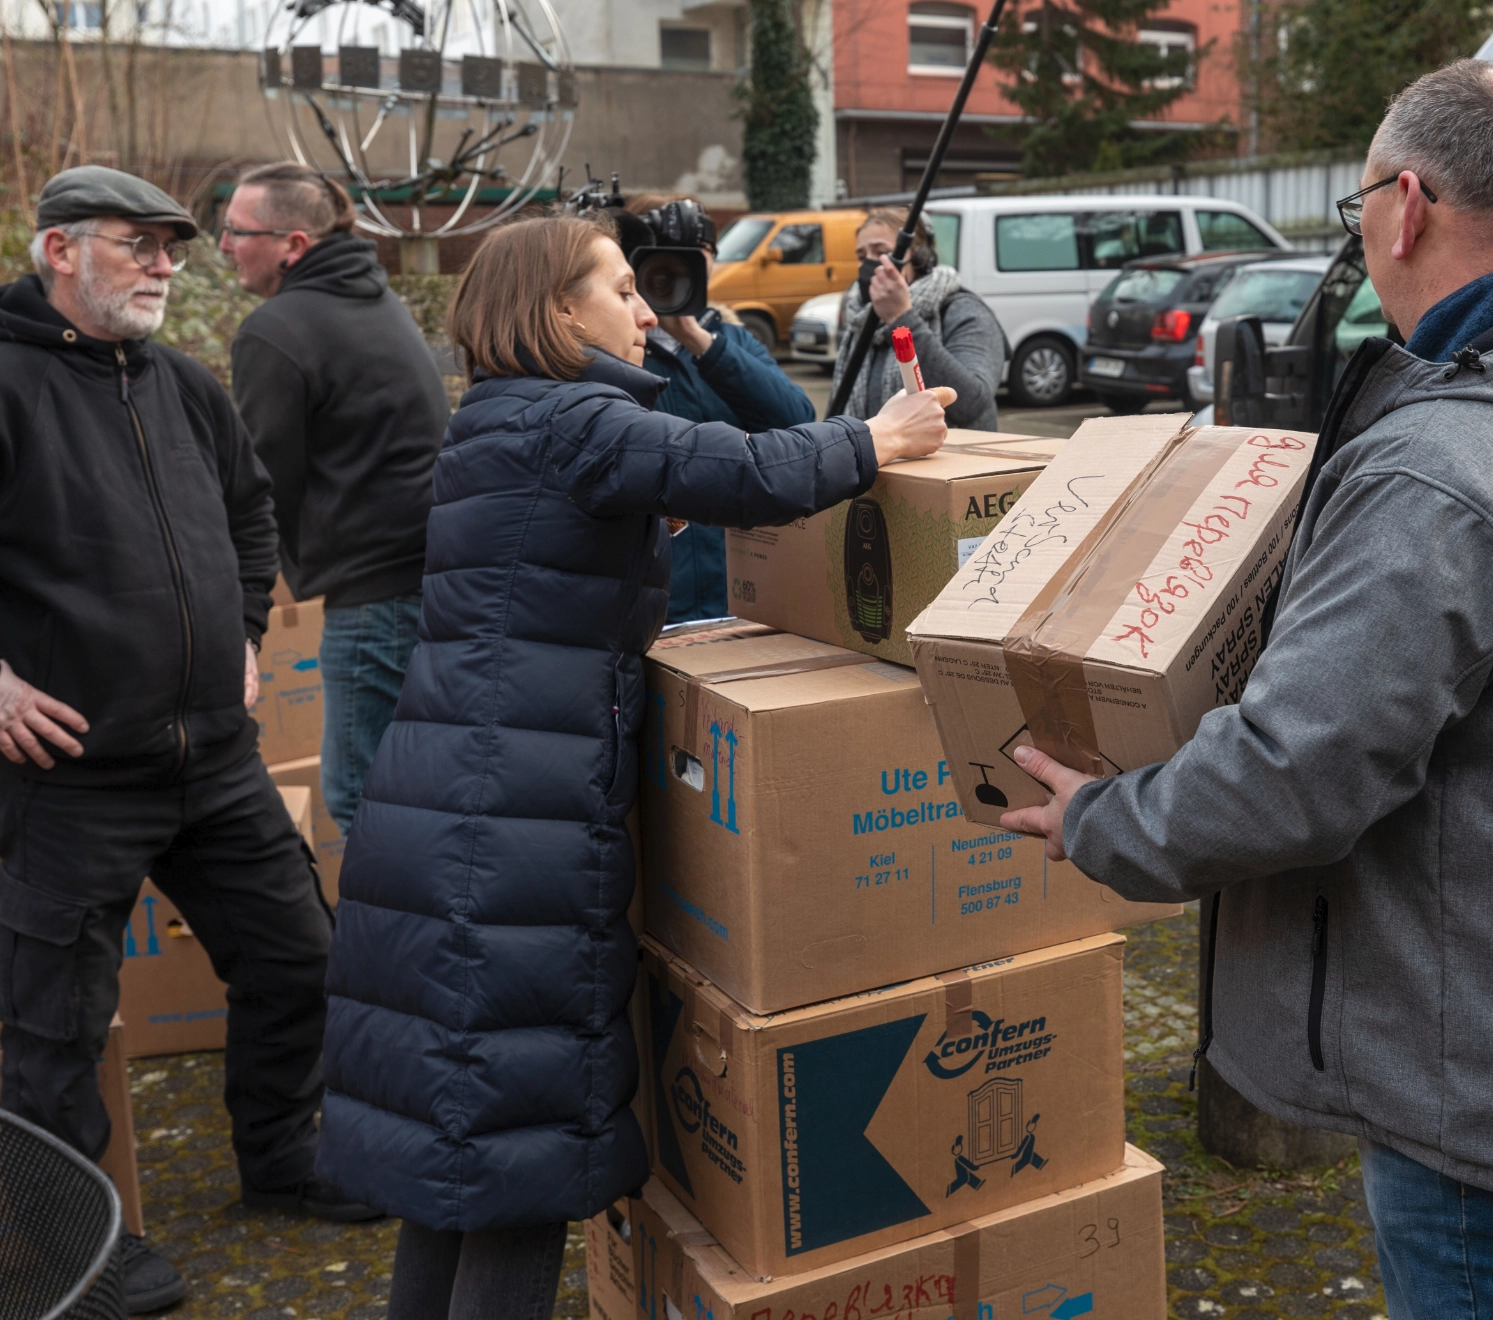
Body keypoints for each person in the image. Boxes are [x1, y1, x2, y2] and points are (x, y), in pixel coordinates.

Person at [1002, 59, 1493, 1320]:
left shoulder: (1451, 466)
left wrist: (1102, 820)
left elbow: (1299, 772)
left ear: (1402, 207)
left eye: (1360, 203)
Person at [314, 214, 954, 1318]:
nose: (646, 308)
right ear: (558, 311)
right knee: (519, 1162)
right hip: (508, 829)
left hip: (455, 799)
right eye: (618, 288)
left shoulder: (499, 418)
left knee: (458, 1154)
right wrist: (879, 440)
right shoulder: (573, 421)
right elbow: (747, 471)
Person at [0, 165, 378, 1315]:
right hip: (73, 778)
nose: (163, 265)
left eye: (173, 248)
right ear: (58, 251)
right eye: (137, 243)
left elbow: (255, 511)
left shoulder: (181, 385)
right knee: (55, 1023)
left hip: (215, 758)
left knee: (298, 954)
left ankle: (283, 1163)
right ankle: (73, 1255)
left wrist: (247, 629)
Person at [222, 162, 449, 833]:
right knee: (421, 786)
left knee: (360, 797)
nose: (227, 246)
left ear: (293, 245)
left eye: (238, 232)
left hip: (370, 598)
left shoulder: (276, 330)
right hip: (432, 579)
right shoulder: (376, 302)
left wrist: (242, 612)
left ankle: (393, 940)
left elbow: (259, 490)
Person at [605, 199, 818, 622]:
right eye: (665, 263)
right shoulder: (616, 351)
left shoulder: (731, 342)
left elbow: (798, 421)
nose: (678, 276)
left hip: (735, 588)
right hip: (651, 596)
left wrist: (697, 339)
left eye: (697, 263)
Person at [834, 206, 1006, 430]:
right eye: (861, 255)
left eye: (880, 251)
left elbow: (972, 403)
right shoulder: (861, 320)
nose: (869, 263)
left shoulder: (964, 311)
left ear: (920, 258)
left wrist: (901, 317)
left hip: (954, 461)